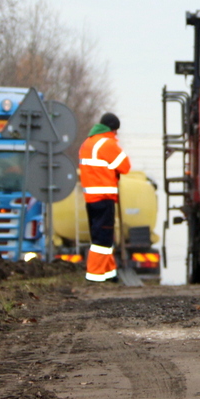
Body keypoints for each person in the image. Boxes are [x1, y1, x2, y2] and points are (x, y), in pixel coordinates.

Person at [78, 113, 131, 283]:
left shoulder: (88, 143)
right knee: (103, 238)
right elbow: (125, 167)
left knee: (101, 235)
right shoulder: (107, 144)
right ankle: (94, 275)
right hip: (104, 197)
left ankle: (109, 273)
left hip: (91, 198)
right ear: (113, 128)